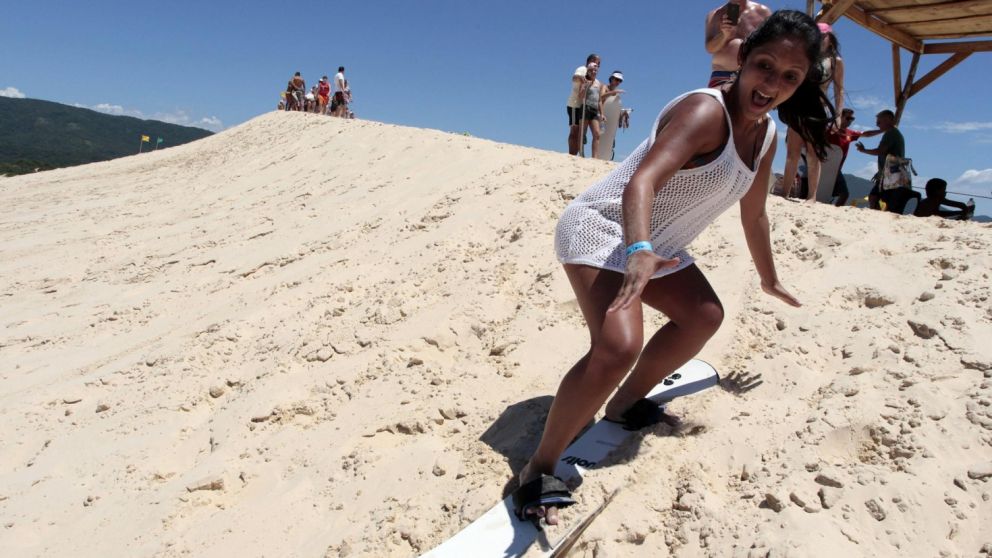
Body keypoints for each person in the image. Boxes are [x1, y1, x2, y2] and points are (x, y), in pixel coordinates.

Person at [512, 10, 829, 526]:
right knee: (617, 346)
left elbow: (756, 213)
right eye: (765, 66)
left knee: (704, 316)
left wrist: (768, 277)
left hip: (657, 244)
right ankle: (537, 470)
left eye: (789, 77)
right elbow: (641, 182)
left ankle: (623, 406)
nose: (772, 84)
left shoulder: (766, 135)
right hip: (605, 229)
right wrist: (637, 247)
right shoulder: (706, 113)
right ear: (743, 58)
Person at [781, 22, 844, 201]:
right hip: (798, 107)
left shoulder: (835, 62)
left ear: (830, 39)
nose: (818, 39)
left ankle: (812, 197)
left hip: (818, 110)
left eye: (822, 36)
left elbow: (839, 90)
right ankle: (784, 193)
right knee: (792, 153)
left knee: (813, 153)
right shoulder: (807, 56)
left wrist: (838, 115)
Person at [705, 0, 771, 87]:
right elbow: (710, 48)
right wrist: (724, 35)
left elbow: (771, 45)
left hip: (753, 75)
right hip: (723, 75)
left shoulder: (762, 12)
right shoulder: (715, 15)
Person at [856, 109, 905, 210]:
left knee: (877, 198)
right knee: (878, 197)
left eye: (879, 121)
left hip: (890, 173)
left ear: (888, 120)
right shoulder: (894, 133)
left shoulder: (890, 133)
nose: (877, 124)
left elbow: (880, 151)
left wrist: (863, 150)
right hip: (892, 172)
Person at [826, 108, 875, 206]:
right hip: (824, 165)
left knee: (844, 194)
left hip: (837, 169)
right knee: (834, 193)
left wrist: (882, 130)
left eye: (852, 119)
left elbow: (866, 134)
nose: (850, 121)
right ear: (841, 117)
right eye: (848, 118)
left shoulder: (850, 133)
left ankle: (834, 211)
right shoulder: (830, 129)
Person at [566, 54, 602, 156]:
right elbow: (574, 77)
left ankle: (575, 154)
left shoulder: (593, 74)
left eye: (599, 64)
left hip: (583, 106)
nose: (598, 66)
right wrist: (583, 79)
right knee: (575, 130)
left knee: (579, 132)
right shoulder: (583, 69)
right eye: (597, 63)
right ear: (590, 61)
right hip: (574, 104)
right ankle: (571, 154)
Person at [596, 71, 627, 161]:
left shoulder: (616, 94)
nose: (618, 82)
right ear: (612, 79)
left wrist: (623, 114)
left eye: (620, 81)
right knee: (599, 137)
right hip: (601, 116)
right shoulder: (605, 87)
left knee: (609, 139)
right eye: (617, 79)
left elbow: (614, 109)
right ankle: (596, 157)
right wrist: (614, 92)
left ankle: (605, 158)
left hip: (610, 120)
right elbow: (601, 97)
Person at [578, 63, 605, 158]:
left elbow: (600, 100)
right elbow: (580, 96)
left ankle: (595, 157)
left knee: (597, 134)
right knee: (582, 133)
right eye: (591, 70)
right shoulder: (584, 80)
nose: (593, 72)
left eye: (595, 70)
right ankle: (581, 154)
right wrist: (585, 86)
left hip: (594, 110)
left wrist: (602, 113)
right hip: (585, 108)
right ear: (588, 71)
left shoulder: (599, 84)